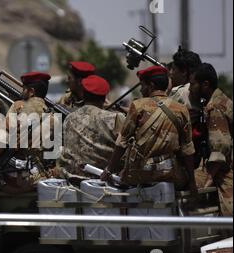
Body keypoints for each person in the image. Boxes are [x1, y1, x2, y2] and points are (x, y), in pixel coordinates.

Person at [101, 66, 198, 197]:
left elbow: (122, 142)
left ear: (151, 86)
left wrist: (109, 170)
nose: (141, 90)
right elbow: (187, 149)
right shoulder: (180, 109)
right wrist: (192, 182)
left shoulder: (138, 106)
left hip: (140, 174)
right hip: (169, 174)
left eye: (142, 85)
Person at [57, 75, 125, 179]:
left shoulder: (69, 118)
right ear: (105, 98)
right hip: (101, 181)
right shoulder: (115, 118)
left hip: (71, 179)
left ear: (83, 94)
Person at [189, 63, 233, 216]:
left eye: (193, 84)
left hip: (227, 174)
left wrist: (207, 180)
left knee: (228, 228)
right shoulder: (221, 100)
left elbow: (220, 149)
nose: (190, 88)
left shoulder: (214, 107)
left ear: (205, 84)